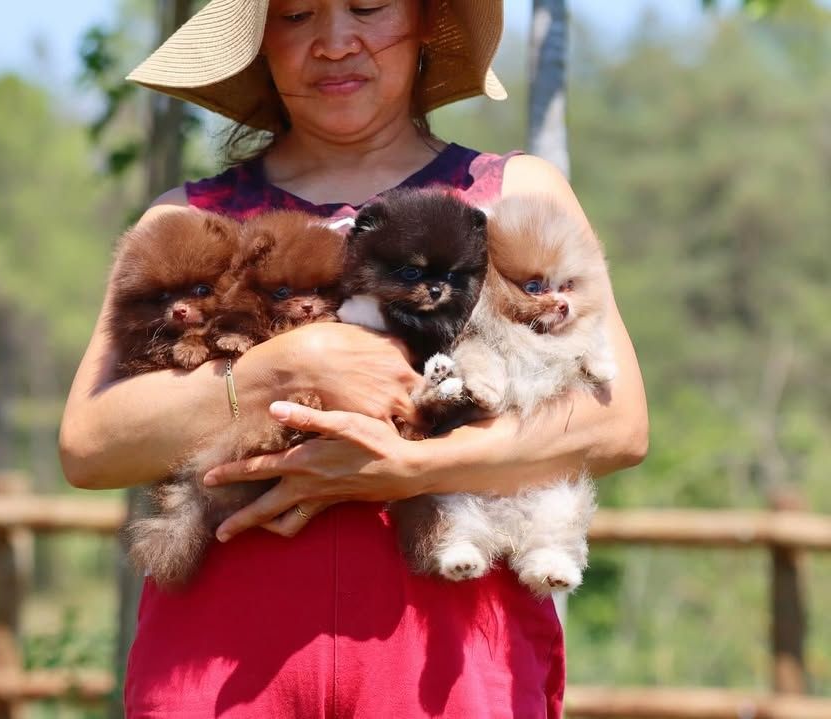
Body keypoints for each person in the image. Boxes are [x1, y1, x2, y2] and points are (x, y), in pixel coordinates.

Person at [59, 0, 649, 716]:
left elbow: (617, 426)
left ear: (426, 19)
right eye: (297, 14)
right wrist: (283, 367)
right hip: (220, 661)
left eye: (368, 7)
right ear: (259, 40)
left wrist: (412, 469)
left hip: (448, 657)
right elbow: (89, 445)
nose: (335, 42)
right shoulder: (187, 222)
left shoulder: (511, 196)